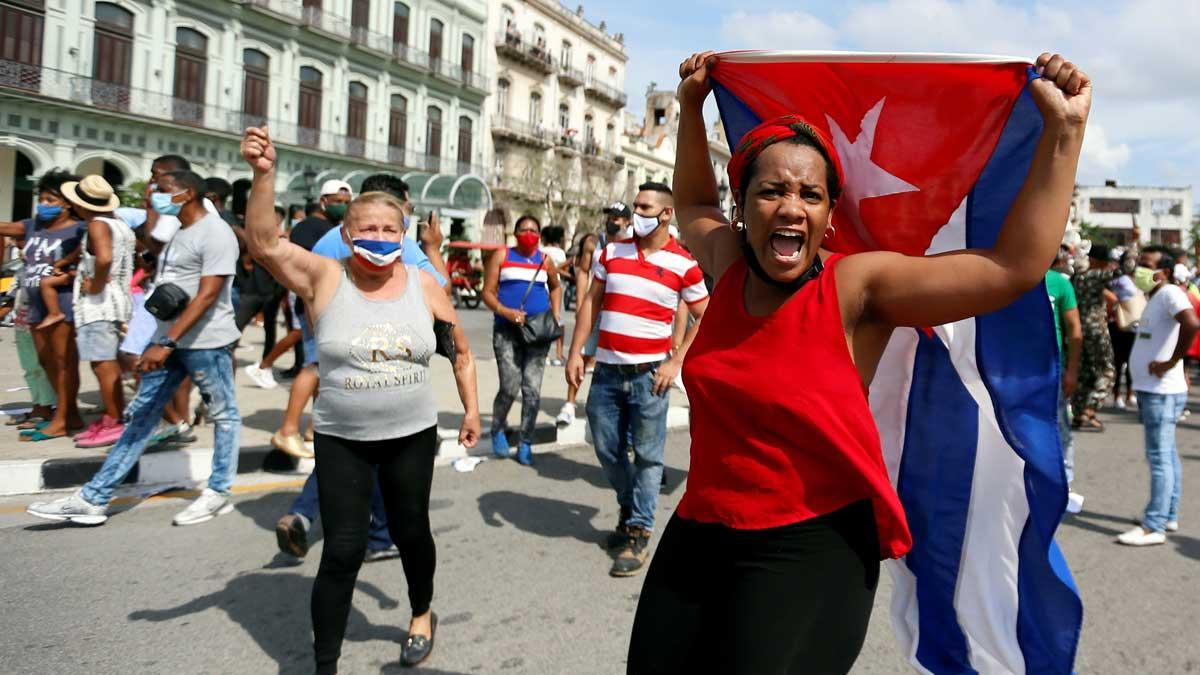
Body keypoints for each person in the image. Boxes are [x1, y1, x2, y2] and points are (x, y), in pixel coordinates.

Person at [620, 51, 1091, 674]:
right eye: (772, 191)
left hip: (811, 548)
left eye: (810, 194)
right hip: (700, 531)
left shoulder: (855, 289)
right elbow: (691, 204)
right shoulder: (729, 264)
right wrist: (689, 108)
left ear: (828, 215)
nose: (792, 205)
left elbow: (1011, 269)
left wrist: (1065, 133)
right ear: (744, 207)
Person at [239, 126, 481, 672]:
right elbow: (264, 243)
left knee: (410, 531)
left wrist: (470, 410)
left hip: (411, 438)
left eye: (389, 228)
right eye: (366, 227)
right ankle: (325, 663)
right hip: (342, 439)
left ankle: (421, 613)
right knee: (343, 550)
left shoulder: (424, 285)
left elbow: (460, 352)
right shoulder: (324, 277)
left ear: (404, 234)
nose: (378, 235)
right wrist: (263, 175)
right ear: (346, 235)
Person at [27, 169, 244, 526]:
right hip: (169, 341)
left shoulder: (216, 232)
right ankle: (93, 499)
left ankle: (218, 492)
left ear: (187, 194)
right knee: (141, 417)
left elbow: (208, 294)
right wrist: (157, 340)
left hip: (205, 343)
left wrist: (167, 342)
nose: (153, 194)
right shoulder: (181, 230)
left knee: (224, 415)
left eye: (161, 190)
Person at [274, 173, 448, 563]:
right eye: (406, 206)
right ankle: (379, 535)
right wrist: (433, 248)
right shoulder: (392, 239)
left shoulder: (330, 239)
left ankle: (306, 512)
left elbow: (303, 286)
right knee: (382, 448)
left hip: (333, 354)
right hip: (378, 360)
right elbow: (438, 289)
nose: (403, 218)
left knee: (348, 447)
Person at [566, 184, 708, 577]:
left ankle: (639, 531)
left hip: (650, 377)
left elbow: (706, 313)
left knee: (648, 457)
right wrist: (577, 351)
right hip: (607, 373)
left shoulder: (684, 264)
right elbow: (591, 303)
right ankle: (630, 508)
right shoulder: (611, 252)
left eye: (645, 207)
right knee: (606, 449)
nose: (636, 212)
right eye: (635, 205)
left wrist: (675, 361)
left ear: (666, 214)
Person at [1118, 249, 1199, 546]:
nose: (1140, 269)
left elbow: (1192, 323)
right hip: (1156, 389)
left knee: (1159, 456)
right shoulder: (1158, 295)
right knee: (1167, 453)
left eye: (1146, 265)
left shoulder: (1168, 294)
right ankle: (1167, 514)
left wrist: (1169, 363)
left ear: (1163, 271)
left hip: (1160, 390)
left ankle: (1154, 526)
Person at [0, 169, 86, 441]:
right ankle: (67, 413)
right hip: (36, 304)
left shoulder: (80, 228)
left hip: (61, 302)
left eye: (52, 199)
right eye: (43, 198)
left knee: (64, 363)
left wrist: (71, 273)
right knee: (47, 361)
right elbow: (3, 227)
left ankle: (63, 418)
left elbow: (92, 259)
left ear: (68, 203)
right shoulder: (33, 225)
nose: (45, 204)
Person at [243, 180, 351, 391]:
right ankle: (264, 367)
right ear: (323, 201)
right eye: (338, 201)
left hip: (324, 298)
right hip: (306, 296)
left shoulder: (333, 228)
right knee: (314, 361)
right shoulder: (308, 228)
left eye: (347, 201)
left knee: (317, 362)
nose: (344, 206)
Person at [60, 176, 137, 449]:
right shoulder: (121, 225)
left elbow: (103, 259)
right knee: (111, 364)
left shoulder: (97, 225)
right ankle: (114, 416)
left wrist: (95, 284)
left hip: (99, 304)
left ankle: (114, 421)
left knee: (102, 365)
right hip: (118, 300)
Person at [483, 214, 563, 465]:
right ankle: (497, 428)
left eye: (534, 230)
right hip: (507, 331)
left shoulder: (545, 260)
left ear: (540, 235)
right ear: (515, 233)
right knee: (510, 385)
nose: (529, 233)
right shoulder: (502, 256)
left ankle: (525, 443)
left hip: (538, 332)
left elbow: (556, 286)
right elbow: (487, 292)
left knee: (532, 390)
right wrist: (505, 312)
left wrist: (556, 313)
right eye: (524, 229)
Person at [556, 207, 629, 428]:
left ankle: (608, 406)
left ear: (626, 221)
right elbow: (583, 273)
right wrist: (580, 305)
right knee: (581, 355)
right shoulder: (592, 242)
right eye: (608, 218)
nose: (610, 222)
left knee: (613, 361)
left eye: (615, 218)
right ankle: (569, 404)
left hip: (618, 310)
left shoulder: (632, 243)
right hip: (595, 307)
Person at [1048, 248, 1084, 513]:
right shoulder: (1014, 280)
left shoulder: (1060, 283)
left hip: (1051, 368)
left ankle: (1065, 482)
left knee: (1060, 425)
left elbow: (1074, 330)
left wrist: (1071, 370)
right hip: (1014, 369)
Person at [1071, 243, 1118, 430]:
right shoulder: (1096, 275)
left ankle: (1078, 413)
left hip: (1077, 329)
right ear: (1098, 261)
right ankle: (1089, 409)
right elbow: (1126, 269)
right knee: (1107, 371)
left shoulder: (1076, 278)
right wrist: (1134, 243)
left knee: (1085, 373)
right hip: (1096, 330)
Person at [1110, 246, 1142, 409]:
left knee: (1132, 362)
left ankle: (1130, 393)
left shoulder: (1140, 278)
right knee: (1118, 361)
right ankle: (1116, 394)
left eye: (1135, 259)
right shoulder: (1116, 277)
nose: (1132, 262)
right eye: (1129, 259)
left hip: (1135, 326)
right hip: (1118, 324)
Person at [541, 225, 570, 366]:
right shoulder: (560, 253)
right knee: (559, 321)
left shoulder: (541, 251)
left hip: (542, 287)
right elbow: (563, 270)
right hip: (557, 288)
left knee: (544, 320)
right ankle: (559, 354)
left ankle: (544, 354)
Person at [33, 244, 80, 330]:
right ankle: (54, 313)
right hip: (70, 270)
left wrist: (58, 265)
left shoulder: (81, 240)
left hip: (77, 272)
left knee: (45, 283)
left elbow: (72, 256)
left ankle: (55, 313)